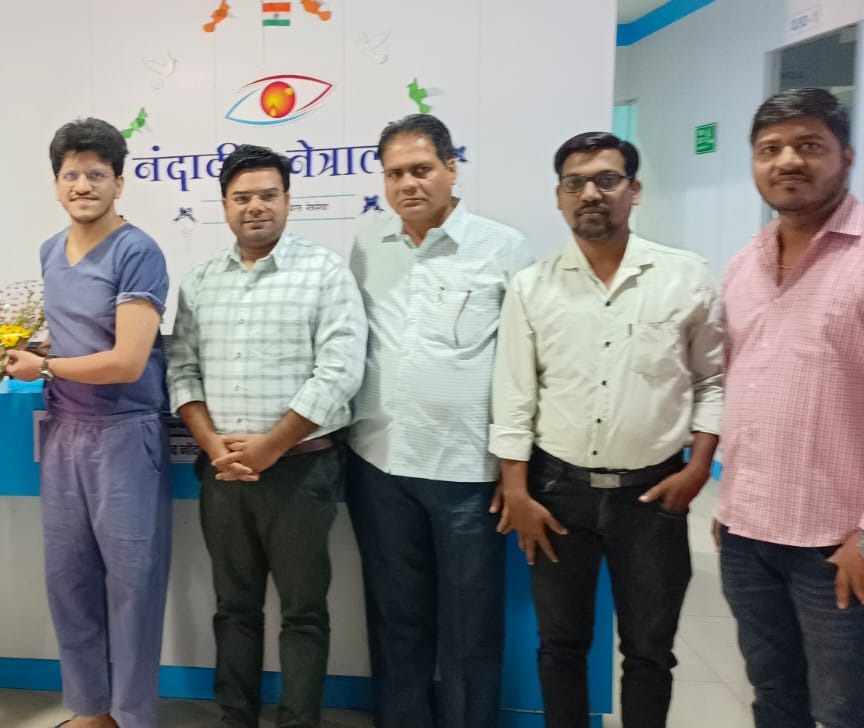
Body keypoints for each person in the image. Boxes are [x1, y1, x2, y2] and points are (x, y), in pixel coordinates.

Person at [493, 132, 724, 728]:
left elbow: (713, 381)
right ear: (559, 197)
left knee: (650, 651)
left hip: (653, 496)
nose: (590, 193)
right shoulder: (531, 287)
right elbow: (514, 397)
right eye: (575, 183)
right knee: (560, 644)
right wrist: (516, 491)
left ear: (634, 189)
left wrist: (699, 468)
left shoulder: (685, 277)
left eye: (606, 180)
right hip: (556, 493)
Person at [166, 144, 367, 728]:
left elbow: (340, 372)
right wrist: (212, 445)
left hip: (301, 472)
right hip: (223, 472)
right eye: (242, 197)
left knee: (304, 612)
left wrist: (270, 445)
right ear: (224, 206)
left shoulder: (324, 272)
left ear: (287, 200)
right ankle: (236, 718)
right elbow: (182, 370)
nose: (255, 206)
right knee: (234, 608)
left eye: (267, 195)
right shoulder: (201, 282)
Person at [344, 114, 534, 728]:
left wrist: (513, 466)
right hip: (379, 464)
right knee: (395, 619)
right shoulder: (367, 247)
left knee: (469, 627)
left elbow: (523, 365)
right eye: (395, 173)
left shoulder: (504, 247)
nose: (408, 184)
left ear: (452, 169)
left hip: (467, 472)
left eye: (421, 169)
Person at [5, 118, 170, 728]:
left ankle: (131, 715)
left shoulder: (138, 252)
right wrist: (29, 349)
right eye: (71, 174)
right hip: (63, 431)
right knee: (68, 581)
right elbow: (75, 335)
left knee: (133, 586)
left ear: (119, 183)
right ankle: (89, 709)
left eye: (96, 174)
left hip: (124, 434)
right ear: (56, 185)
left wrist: (45, 365)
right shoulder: (51, 251)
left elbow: (127, 361)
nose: (82, 185)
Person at [717, 87, 864, 728]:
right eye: (769, 149)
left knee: (844, 709)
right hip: (747, 535)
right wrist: (732, 506)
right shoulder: (743, 265)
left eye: (809, 146)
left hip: (837, 543)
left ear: (846, 156)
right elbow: (738, 383)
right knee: (774, 696)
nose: (787, 161)